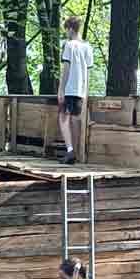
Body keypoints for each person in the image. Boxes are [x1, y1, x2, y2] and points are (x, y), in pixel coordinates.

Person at [57, 16, 93, 166]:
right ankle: (77, 152)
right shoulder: (87, 46)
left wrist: (61, 89)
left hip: (70, 88)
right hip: (81, 90)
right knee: (76, 120)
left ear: (70, 29)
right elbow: (88, 72)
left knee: (63, 119)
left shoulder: (69, 45)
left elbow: (66, 69)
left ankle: (70, 150)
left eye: (66, 29)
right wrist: (86, 92)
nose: (66, 33)